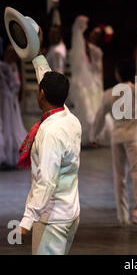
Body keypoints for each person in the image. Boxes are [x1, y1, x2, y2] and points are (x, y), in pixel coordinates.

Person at [17, 28, 82, 255]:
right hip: (70, 211)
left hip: (52, 219)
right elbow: (45, 75)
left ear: (42, 94)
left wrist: (26, 221)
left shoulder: (50, 132)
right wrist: (36, 52)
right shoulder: (69, 118)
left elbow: (47, 180)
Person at [92, 58, 137, 232]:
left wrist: (94, 135)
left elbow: (99, 117)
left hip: (117, 138)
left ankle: (123, 217)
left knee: (119, 177)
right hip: (134, 139)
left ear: (117, 74)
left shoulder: (109, 93)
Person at [68, 16, 112, 146]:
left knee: (94, 105)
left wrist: (78, 32)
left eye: (97, 34)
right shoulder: (90, 47)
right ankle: (92, 134)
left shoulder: (96, 50)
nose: (93, 34)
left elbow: (83, 51)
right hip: (90, 80)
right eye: (94, 32)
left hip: (94, 81)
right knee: (87, 105)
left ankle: (95, 134)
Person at [0, 45, 27, 169]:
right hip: (3, 99)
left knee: (11, 125)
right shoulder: (2, 66)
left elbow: (16, 85)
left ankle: (10, 154)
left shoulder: (14, 67)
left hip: (9, 101)